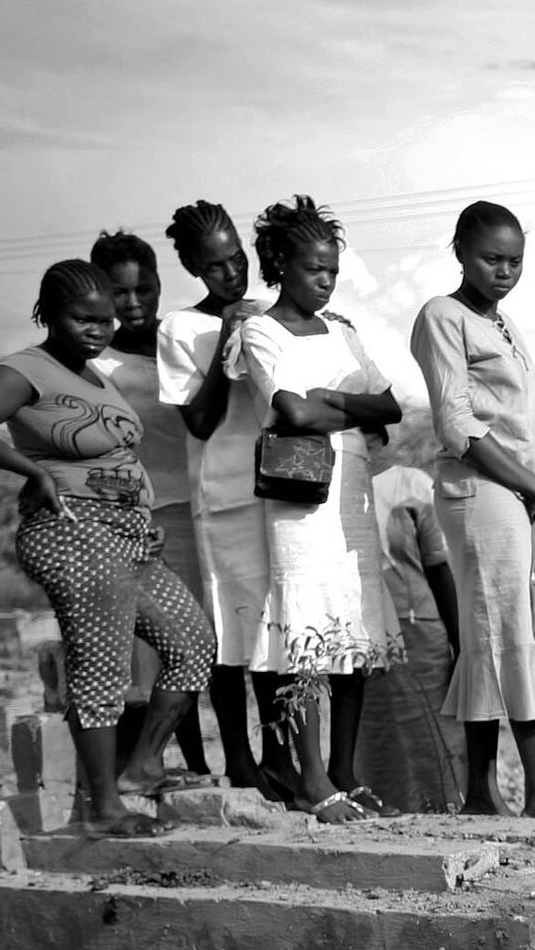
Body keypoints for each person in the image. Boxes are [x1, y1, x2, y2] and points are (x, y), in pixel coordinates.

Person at [0, 261, 214, 834]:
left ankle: (141, 768)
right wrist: (30, 473)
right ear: (48, 314)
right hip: (72, 529)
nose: (98, 330)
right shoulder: (25, 370)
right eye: (82, 318)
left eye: (106, 321)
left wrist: (140, 513)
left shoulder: (96, 376)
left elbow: (117, 456)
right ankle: (103, 810)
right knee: (100, 668)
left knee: (193, 645)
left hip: (131, 536)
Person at [232, 195, 406, 823]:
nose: (327, 281)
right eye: (314, 270)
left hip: (351, 494)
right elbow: (292, 413)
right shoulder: (259, 330)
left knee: (353, 627)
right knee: (305, 626)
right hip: (300, 498)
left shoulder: (346, 332)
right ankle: (308, 779)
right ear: (280, 263)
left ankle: (344, 769)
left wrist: (331, 397)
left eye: (333, 270)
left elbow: (389, 408)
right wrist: (345, 408)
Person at [409, 200, 535, 819]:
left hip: (518, 495)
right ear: (459, 251)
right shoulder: (442, 316)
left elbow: (526, 417)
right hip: (480, 495)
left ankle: (482, 791)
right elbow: (457, 425)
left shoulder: (505, 325)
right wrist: (533, 486)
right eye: (491, 258)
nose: (505, 271)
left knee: (490, 634)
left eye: (515, 261)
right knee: (513, 635)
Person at [92, 228, 213, 784]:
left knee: (215, 644)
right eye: (120, 294)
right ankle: (179, 762)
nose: (135, 303)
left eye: (146, 289)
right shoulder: (99, 365)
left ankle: (225, 760)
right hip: (150, 518)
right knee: (168, 645)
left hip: (207, 507)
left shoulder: (181, 341)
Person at [157, 200, 267, 788]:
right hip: (221, 497)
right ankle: (240, 762)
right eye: (215, 265)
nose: (231, 273)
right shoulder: (180, 328)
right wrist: (228, 336)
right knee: (226, 631)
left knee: (275, 626)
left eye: (237, 257)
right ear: (195, 270)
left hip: (275, 491)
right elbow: (198, 423)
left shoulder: (272, 313)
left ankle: (279, 757)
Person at [355, 428, 467, 814]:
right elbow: (439, 567)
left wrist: (458, 643)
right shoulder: (403, 484)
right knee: (407, 730)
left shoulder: (397, 485)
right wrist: (460, 642)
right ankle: (420, 805)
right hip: (394, 627)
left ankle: (415, 806)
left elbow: (438, 567)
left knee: (409, 730)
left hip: (392, 629)